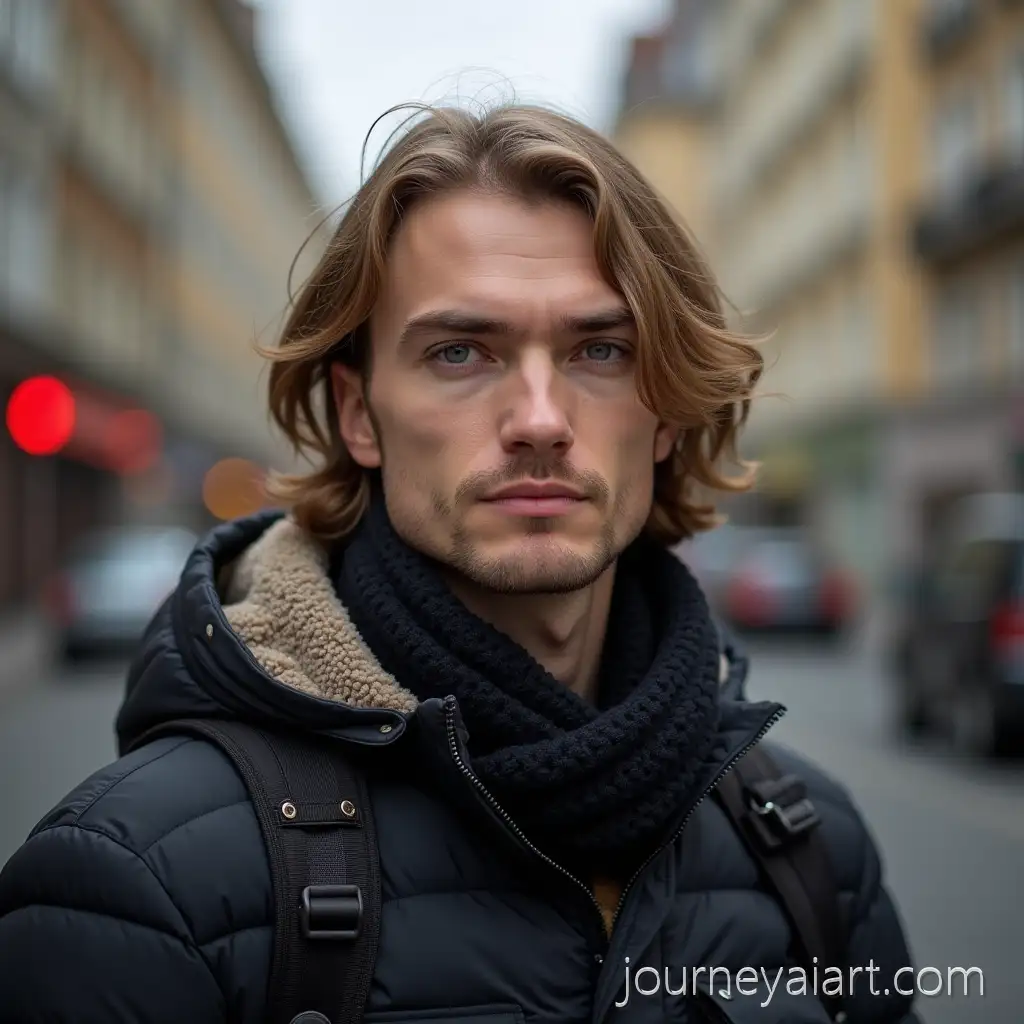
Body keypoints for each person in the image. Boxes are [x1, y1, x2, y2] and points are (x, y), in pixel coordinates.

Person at [0, 102, 921, 1023]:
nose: (540, 419)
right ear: (359, 415)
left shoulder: (812, 853)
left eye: (600, 349)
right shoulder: (140, 880)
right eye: (459, 352)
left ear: (668, 413)